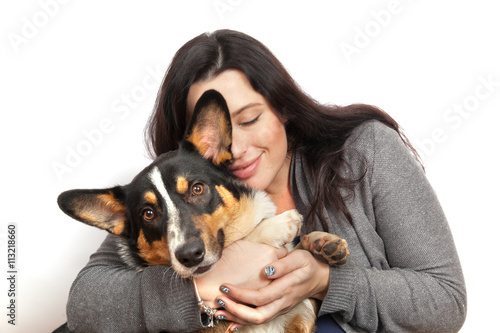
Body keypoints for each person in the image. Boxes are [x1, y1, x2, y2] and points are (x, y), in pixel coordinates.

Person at [65, 29, 466, 332]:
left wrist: (325, 282)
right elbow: (85, 303)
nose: (233, 148)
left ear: (284, 110)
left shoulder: (367, 150)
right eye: (214, 132)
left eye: (250, 118)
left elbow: (446, 300)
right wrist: (197, 290)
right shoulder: (175, 193)